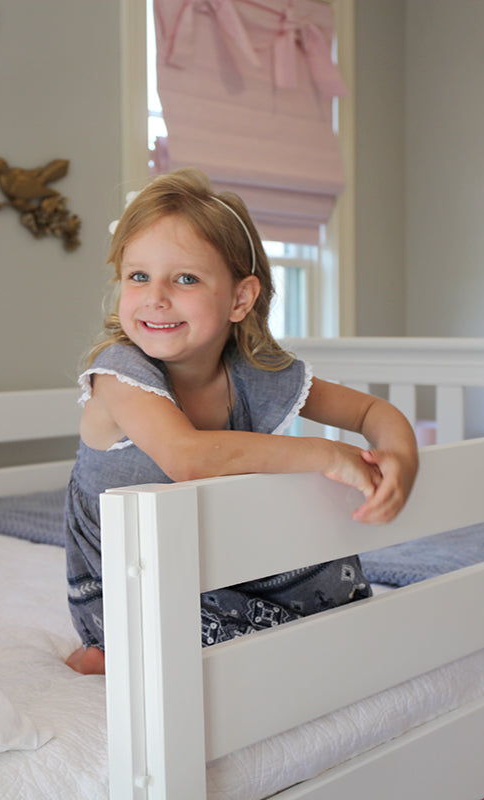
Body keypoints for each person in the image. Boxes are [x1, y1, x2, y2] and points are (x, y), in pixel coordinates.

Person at [65, 168, 419, 675]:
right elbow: (187, 457)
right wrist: (325, 453)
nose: (155, 296)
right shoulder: (119, 376)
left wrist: (400, 462)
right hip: (131, 572)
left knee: (330, 593)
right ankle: (107, 648)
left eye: (184, 278)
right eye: (137, 275)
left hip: (219, 551)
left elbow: (371, 412)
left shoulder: (254, 373)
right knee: (185, 649)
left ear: (239, 298)